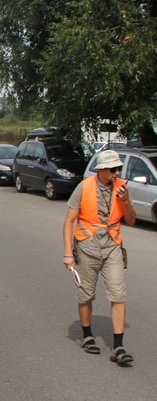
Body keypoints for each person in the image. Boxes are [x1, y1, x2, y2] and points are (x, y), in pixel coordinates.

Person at [63, 149, 136, 365]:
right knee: (86, 293)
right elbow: (68, 222)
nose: (116, 173)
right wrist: (68, 253)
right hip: (87, 245)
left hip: (112, 244)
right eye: (113, 169)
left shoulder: (122, 187)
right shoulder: (84, 187)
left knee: (118, 294)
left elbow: (130, 221)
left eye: (118, 169)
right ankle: (87, 335)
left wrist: (127, 201)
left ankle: (119, 346)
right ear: (101, 170)